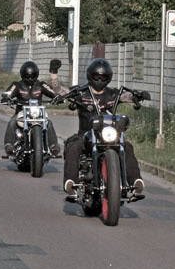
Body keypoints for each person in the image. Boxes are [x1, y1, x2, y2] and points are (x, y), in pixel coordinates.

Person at [62, 58, 146, 196]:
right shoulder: (81, 92)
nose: (99, 80)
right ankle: (71, 182)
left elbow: (126, 96)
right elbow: (62, 91)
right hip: (85, 134)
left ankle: (135, 181)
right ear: (90, 75)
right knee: (73, 146)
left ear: (108, 78)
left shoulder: (113, 94)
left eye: (103, 77)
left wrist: (138, 95)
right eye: (96, 76)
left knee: (127, 146)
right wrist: (54, 77)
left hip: (108, 134)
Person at [0, 60, 61, 157]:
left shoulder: (41, 85)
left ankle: (53, 146)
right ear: (22, 74)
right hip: (21, 113)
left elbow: (52, 92)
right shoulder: (17, 85)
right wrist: (6, 98)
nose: (30, 78)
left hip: (37, 113)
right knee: (12, 122)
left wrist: (57, 98)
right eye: (27, 76)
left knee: (48, 122)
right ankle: (9, 145)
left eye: (32, 76)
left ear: (36, 75)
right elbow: (9, 92)